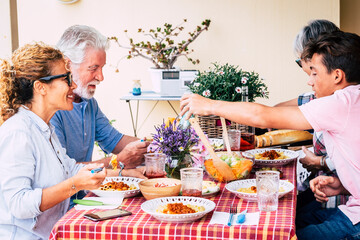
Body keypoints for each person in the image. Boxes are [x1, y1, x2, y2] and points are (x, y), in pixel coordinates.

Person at [180, 31, 360, 239]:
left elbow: (263, 116)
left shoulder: (341, 102)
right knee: (292, 220)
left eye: (314, 73)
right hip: (352, 205)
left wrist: (210, 105)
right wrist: (344, 186)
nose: (310, 82)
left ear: (337, 76)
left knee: (283, 233)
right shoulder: (352, 100)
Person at [0, 42, 106, 239]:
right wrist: (75, 184)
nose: (73, 85)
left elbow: (70, 169)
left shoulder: (45, 128)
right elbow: (19, 204)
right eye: (66, 78)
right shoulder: (18, 132)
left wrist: (124, 173)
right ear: (41, 87)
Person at [51, 25, 149, 204]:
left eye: (102, 68)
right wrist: (117, 162)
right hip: (63, 207)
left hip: (86, 198)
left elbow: (114, 140)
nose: (101, 77)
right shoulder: (52, 109)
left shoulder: (88, 103)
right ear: (67, 64)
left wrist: (158, 146)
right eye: (93, 68)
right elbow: (64, 170)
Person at [275, 19, 344, 209]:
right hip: (325, 190)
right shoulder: (321, 93)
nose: (307, 77)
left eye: (301, 62)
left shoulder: (342, 100)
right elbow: (279, 109)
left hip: (340, 201)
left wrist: (321, 162)